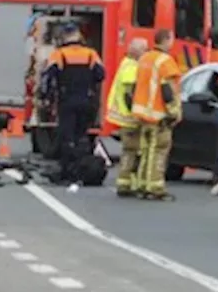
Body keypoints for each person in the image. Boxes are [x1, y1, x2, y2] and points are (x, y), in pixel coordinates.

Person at [42, 21, 105, 181]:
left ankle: (67, 170)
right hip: (86, 100)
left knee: (67, 136)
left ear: (65, 37)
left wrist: (47, 98)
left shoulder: (59, 54)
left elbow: (48, 78)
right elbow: (100, 75)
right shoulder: (91, 54)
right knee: (81, 136)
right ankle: (81, 168)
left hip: (67, 101)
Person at [129, 28, 182, 201]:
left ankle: (143, 184)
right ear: (167, 40)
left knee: (145, 151)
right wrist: (174, 111)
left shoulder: (144, 58)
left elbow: (136, 86)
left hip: (142, 113)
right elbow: (168, 90)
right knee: (159, 151)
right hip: (158, 114)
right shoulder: (166, 61)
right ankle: (155, 187)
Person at [110, 38, 148, 197]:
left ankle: (126, 182)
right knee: (133, 151)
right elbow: (129, 94)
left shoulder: (126, 64)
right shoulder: (131, 67)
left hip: (125, 117)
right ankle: (127, 184)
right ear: (136, 50)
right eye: (144, 50)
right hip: (130, 118)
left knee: (130, 151)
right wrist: (138, 113)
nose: (146, 53)